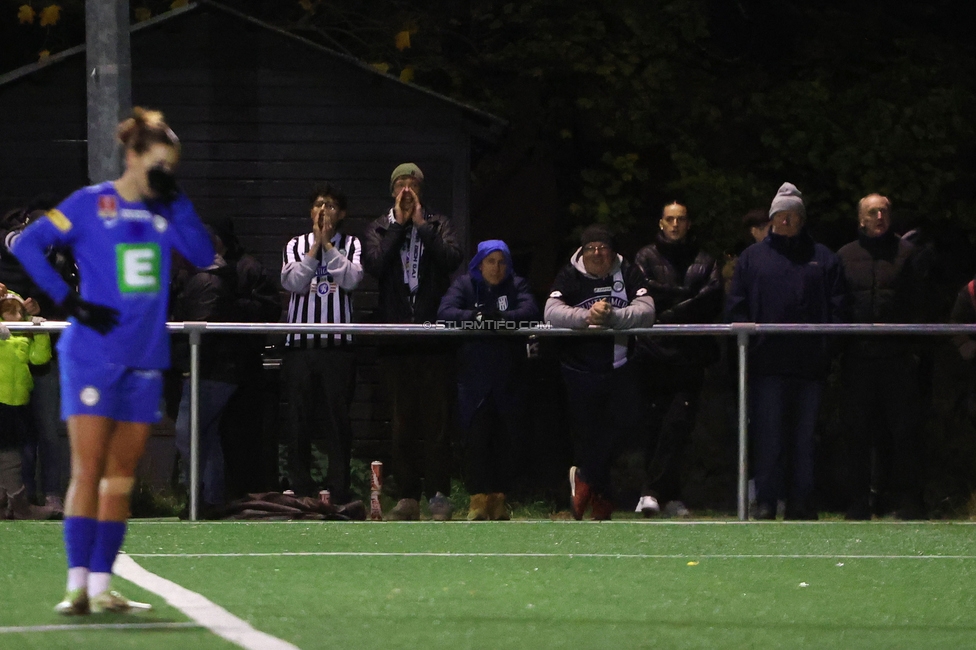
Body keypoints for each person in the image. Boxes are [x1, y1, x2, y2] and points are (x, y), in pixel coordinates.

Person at [13, 107, 214, 614]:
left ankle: (102, 588)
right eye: (157, 167)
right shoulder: (89, 203)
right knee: (87, 470)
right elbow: (28, 244)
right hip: (92, 356)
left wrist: (178, 200)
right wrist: (69, 300)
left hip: (145, 360)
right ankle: (76, 586)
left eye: (170, 169)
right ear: (132, 156)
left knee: (120, 477)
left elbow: (204, 254)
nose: (162, 177)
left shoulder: (165, 211)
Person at [727, 182, 847, 520]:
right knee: (769, 437)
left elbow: (838, 311)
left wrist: (827, 351)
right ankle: (766, 500)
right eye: (780, 215)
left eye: (792, 215)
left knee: (805, 439)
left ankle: (802, 502)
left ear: (802, 219)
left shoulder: (823, 259)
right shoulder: (752, 258)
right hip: (767, 365)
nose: (786, 221)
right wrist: (747, 351)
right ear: (771, 218)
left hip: (810, 367)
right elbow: (737, 308)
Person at [363, 163, 462, 521]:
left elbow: (452, 258)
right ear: (393, 191)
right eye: (401, 185)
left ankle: (438, 495)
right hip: (395, 337)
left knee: (437, 421)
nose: (407, 191)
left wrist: (420, 224)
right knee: (401, 419)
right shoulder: (378, 226)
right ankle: (407, 497)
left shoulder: (437, 223)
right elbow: (374, 263)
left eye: (413, 185)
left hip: (433, 336)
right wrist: (400, 226)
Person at [546, 224, 655, 521]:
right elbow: (551, 311)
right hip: (579, 368)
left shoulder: (627, 271)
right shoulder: (570, 274)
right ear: (582, 251)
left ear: (612, 252)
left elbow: (647, 308)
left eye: (603, 248)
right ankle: (601, 499)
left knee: (624, 427)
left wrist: (615, 318)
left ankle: (584, 477)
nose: (597, 253)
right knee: (590, 435)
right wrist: (585, 317)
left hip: (620, 366)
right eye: (591, 248)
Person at [837, 194, 926, 520]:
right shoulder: (845, 256)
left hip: (898, 358)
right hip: (858, 358)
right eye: (872, 211)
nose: (879, 216)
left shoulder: (908, 255)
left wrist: (916, 350)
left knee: (903, 432)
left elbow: (920, 304)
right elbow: (839, 306)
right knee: (856, 433)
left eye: (884, 210)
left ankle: (908, 502)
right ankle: (858, 503)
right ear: (861, 219)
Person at [437, 240, 539, 520]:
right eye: (490, 261)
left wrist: (501, 319)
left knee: (506, 440)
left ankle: (499, 500)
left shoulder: (517, 285)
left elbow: (530, 311)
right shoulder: (464, 285)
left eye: (501, 261)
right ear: (479, 263)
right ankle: (477, 499)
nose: (496, 267)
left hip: (509, 377)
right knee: (475, 440)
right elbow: (445, 313)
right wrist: (476, 316)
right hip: (474, 379)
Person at [634, 201, 722, 518]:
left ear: (688, 223)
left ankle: (654, 492)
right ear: (661, 223)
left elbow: (711, 299)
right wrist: (686, 296)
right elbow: (645, 294)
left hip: (689, 356)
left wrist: (669, 310)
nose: (675, 225)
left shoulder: (704, 259)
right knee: (654, 426)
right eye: (670, 219)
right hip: (653, 354)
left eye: (681, 219)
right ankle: (663, 495)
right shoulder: (645, 257)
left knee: (679, 425)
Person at [280, 183, 363, 502]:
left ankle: (338, 485)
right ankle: (299, 484)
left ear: (341, 213)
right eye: (317, 204)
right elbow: (294, 283)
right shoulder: (295, 244)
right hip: (300, 345)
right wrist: (316, 247)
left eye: (329, 205)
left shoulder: (352, 244)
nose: (323, 210)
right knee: (297, 416)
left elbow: (352, 279)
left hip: (338, 346)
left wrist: (328, 245)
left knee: (336, 417)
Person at [171, 226, 239, 517]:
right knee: (207, 436)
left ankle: (198, 496)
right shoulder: (208, 278)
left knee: (188, 434)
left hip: (208, 369)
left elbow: (200, 330)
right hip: (218, 369)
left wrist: (188, 366)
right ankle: (210, 498)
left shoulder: (207, 282)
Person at [0, 292, 52, 519]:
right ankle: (18, 504)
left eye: (19, 311)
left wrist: (40, 333)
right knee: (9, 454)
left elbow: (40, 359)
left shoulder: (24, 334)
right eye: (9, 310)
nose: (16, 314)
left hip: (17, 403)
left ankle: (11, 503)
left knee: (13, 453)